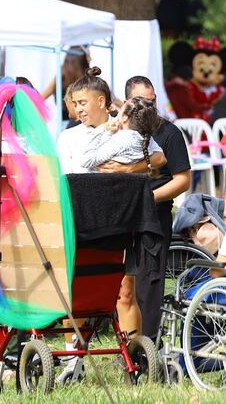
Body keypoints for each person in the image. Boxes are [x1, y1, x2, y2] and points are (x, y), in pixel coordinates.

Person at [55, 68, 165, 380]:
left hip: (119, 218)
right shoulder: (68, 136)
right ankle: (72, 360)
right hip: (81, 219)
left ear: (101, 101)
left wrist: (130, 169)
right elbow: (67, 174)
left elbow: (158, 158)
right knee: (76, 288)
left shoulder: (125, 126)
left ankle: (132, 359)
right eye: (74, 103)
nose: (77, 109)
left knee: (124, 290)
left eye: (82, 102)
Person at [122, 76, 192, 343]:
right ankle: (125, 347)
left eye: (152, 102)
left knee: (148, 286)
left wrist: (148, 198)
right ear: (127, 102)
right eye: (141, 101)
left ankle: (148, 347)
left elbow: (183, 180)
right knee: (123, 286)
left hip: (154, 217)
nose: (149, 107)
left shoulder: (168, 133)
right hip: (123, 217)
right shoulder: (119, 131)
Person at [77, 97, 165, 172]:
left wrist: (102, 128)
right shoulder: (144, 137)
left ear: (125, 117)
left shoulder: (122, 140)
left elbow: (86, 161)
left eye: (121, 109)